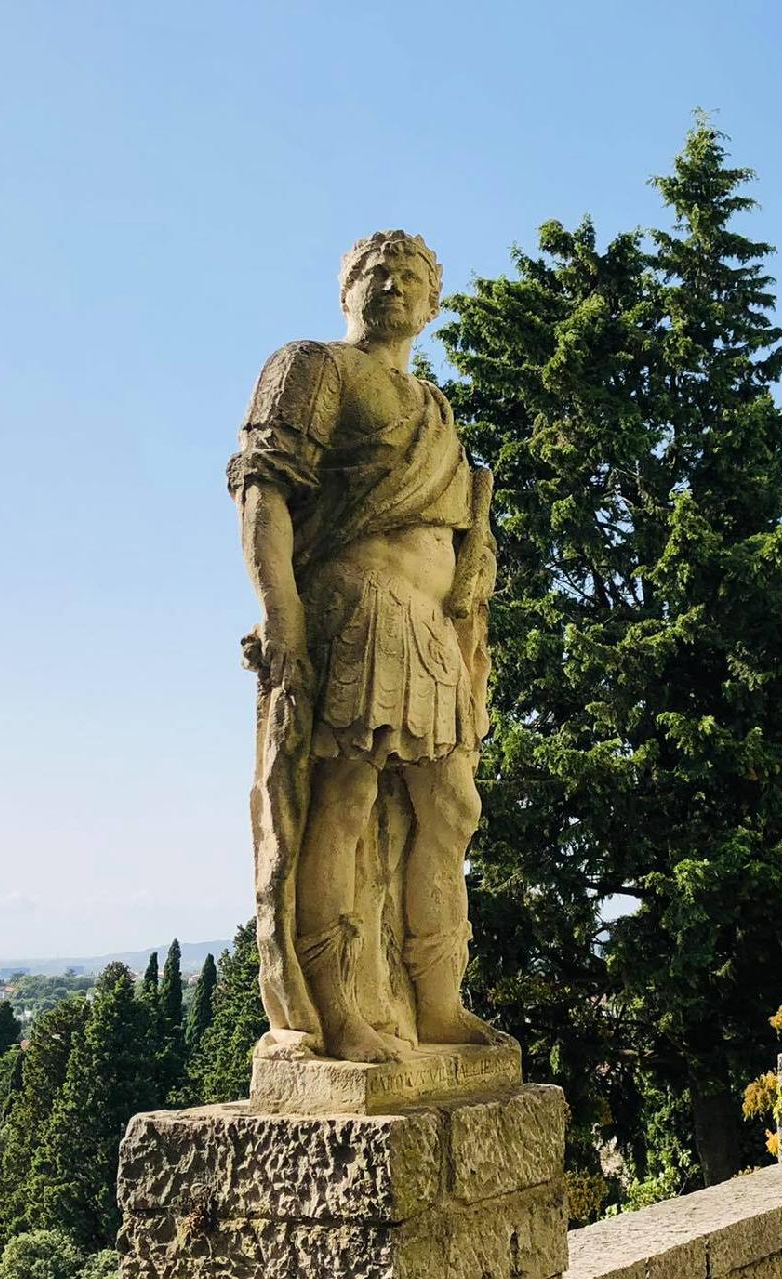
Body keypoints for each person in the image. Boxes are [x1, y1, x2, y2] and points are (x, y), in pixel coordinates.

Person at [229, 231, 501, 1064]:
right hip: (356, 605)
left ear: (433, 303)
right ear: (346, 290)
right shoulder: (314, 366)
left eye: (410, 276)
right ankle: (337, 1007)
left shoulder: (435, 407)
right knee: (342, 799)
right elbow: (263, 488)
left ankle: (435, 999)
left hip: (431, 628)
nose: (392, 285)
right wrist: (280, 613)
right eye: (374, 272)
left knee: (452, 808)